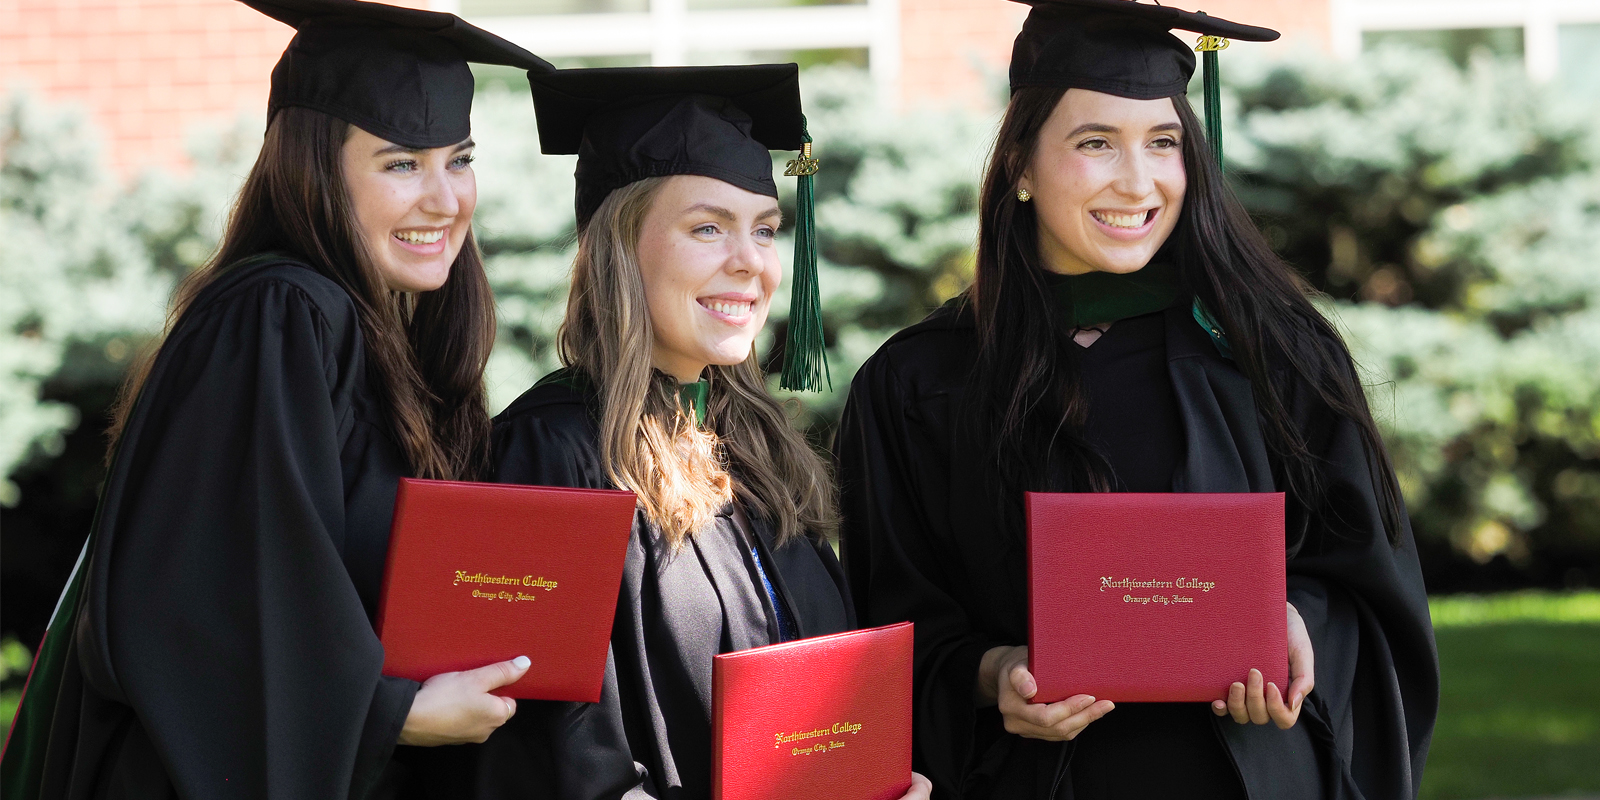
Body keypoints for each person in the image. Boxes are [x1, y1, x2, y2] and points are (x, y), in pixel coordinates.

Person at [834, 1, 1440, 799]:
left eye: (1163, 143)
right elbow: (889, 629)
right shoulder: (921, 384)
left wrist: (1296, 622)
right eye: (1095, 144)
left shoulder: (1273, 353)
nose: (1138, 180)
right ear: (1019, 164)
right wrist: (995, 673)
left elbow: (1370, 581)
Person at [0, 1, 555, 797]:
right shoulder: (281, 314)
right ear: (315, 169)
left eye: (458, 159)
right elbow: (215, 598)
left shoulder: (379, 335)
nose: (445, 200)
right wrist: (386, 713)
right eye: (401, 163)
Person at [437, 63, 931, 800]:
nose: (751, 263)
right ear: (619, 248)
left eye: (765, 230)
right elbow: (546, 758)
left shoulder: (757, 451)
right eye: (708, 227)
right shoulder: (553, 454)